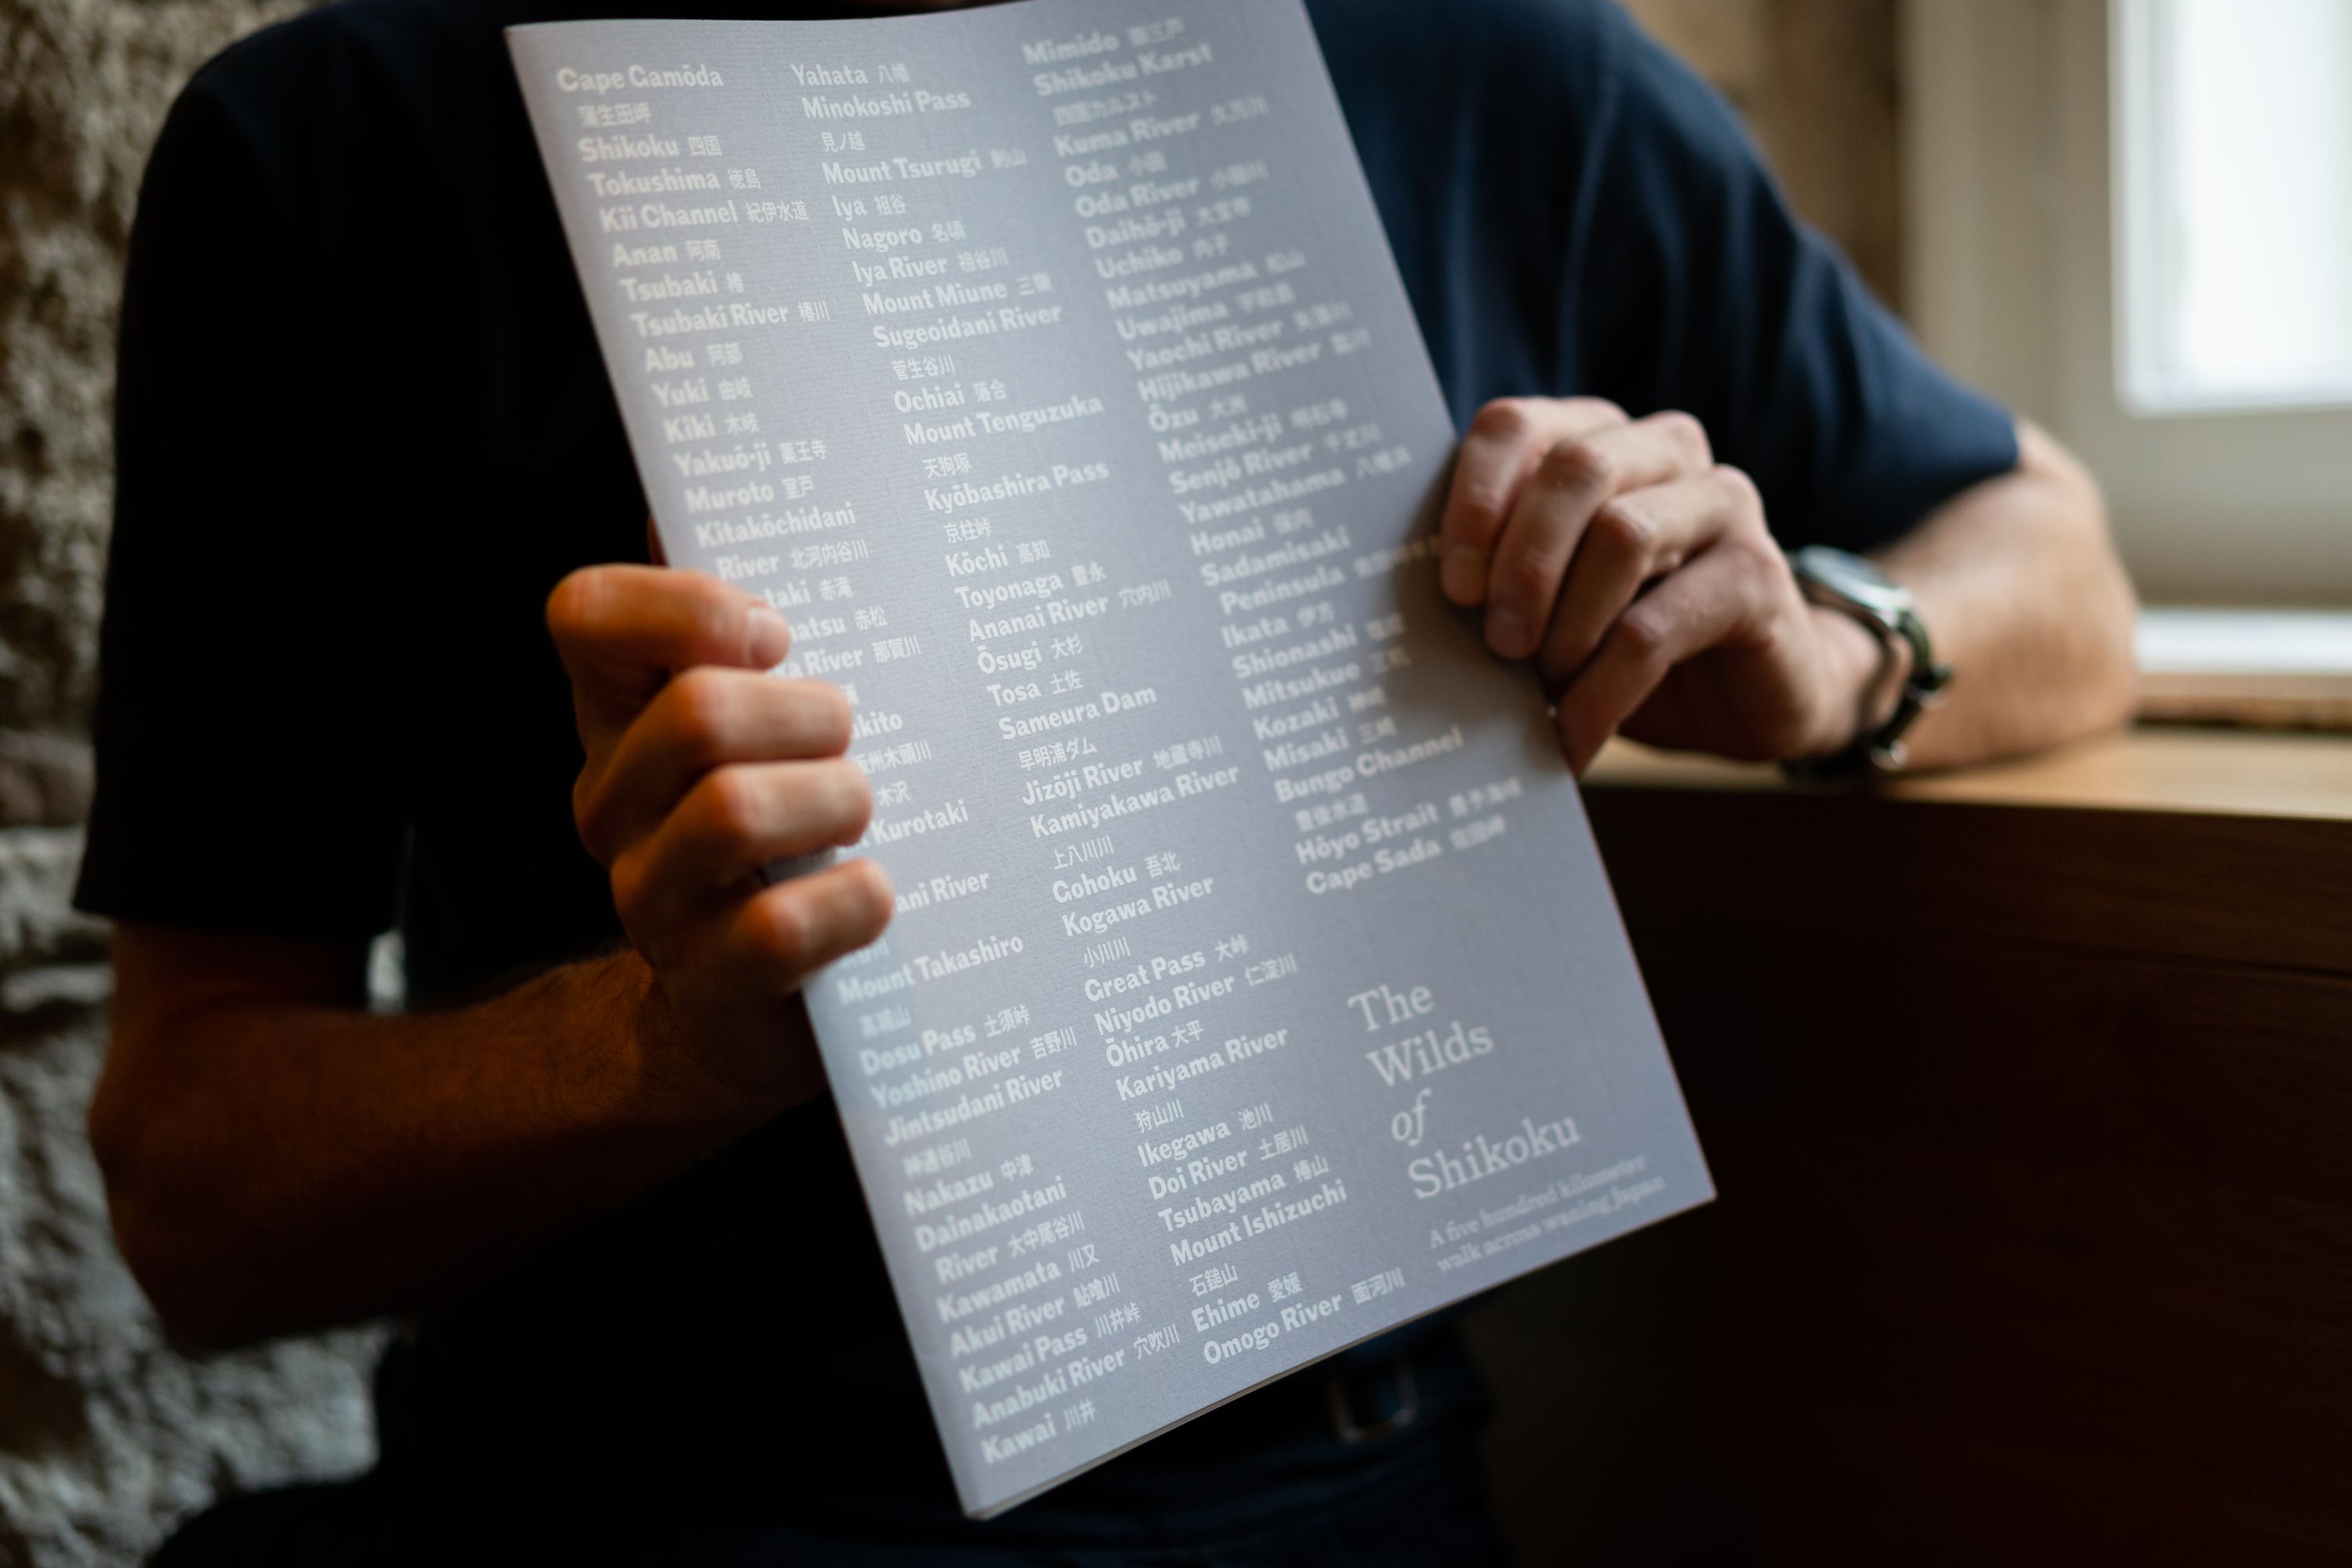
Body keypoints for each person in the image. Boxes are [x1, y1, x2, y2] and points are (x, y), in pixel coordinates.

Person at [79, 0, 2136, 1560]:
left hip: (1332, 1487)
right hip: (616, 1497)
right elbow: (192, 1194)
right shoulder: (347, 134)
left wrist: (1820, 660)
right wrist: (664, 1045)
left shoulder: (1497, 64)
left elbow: (2054, 552)